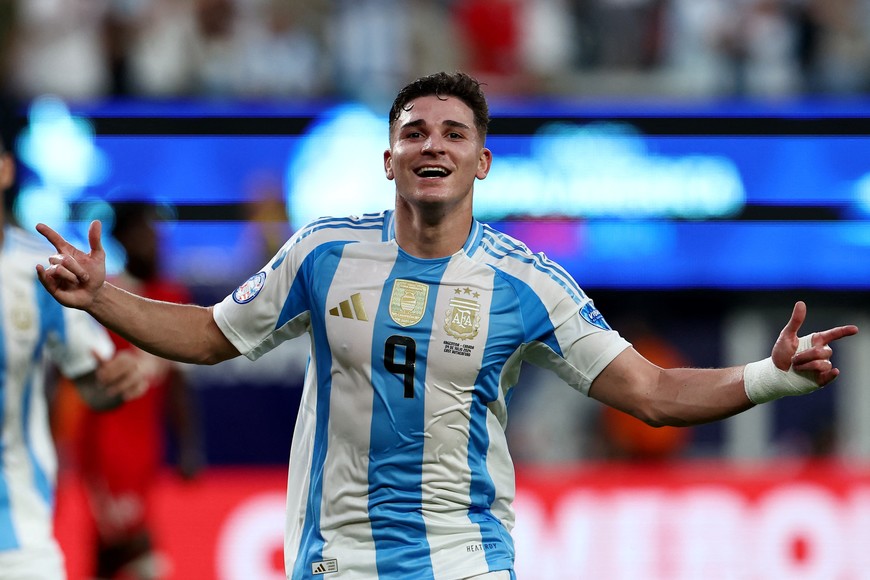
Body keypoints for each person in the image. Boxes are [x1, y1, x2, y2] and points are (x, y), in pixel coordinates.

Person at [34, 71, 858, 580]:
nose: (434, 145)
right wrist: (105, 298)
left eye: (454, 133)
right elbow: (212, 335)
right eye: (414, 132)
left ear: (482, 161)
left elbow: (650, 392)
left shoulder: (526, 282)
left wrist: (771, 375)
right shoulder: (323, 253)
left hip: (465, 564)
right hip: (335, 562)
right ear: (389, 159)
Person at [0, 103, 147, 579]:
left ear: (4, 168)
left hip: (19, 543)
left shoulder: (36, 270)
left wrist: (118, 379)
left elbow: (93, 384)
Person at [66, 201, 203, 580]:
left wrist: (189, 443)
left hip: (146, 447)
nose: (154, 240)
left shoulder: (171, 294)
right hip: (107, 446)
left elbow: (175, 378)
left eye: (156, 232)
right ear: (122, 238)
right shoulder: (104, 297)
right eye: (143, 231)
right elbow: (75, 375)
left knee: (110, 552)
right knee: (138, 550)